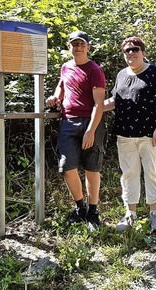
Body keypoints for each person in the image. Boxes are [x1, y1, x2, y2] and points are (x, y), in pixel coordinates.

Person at [103, 37, 156, 232]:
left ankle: (154, 214)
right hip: (125, 136)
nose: (131, 53)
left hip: (151, 135)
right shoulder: (121, 75)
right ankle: (130, 214)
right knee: (129, 174)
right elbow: (114, 100)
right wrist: (93, 109)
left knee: (152, 172)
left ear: (143, 51)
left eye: (135, 49)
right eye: (127, 51)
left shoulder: (155, 72)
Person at [45, 30, 106, 229]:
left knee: (91, 168)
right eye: (74, 44)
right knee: (67, 167)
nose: (78, 47)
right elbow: (61, 87)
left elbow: (99, 104)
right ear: (68, 46)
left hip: (91, 122)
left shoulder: (94, 70)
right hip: (68, 122)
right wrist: (55, 98)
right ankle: (80, 207)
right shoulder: (65, 67)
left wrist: (90, 130)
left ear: (88, 47)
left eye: (82, 44)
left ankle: (93, 212)